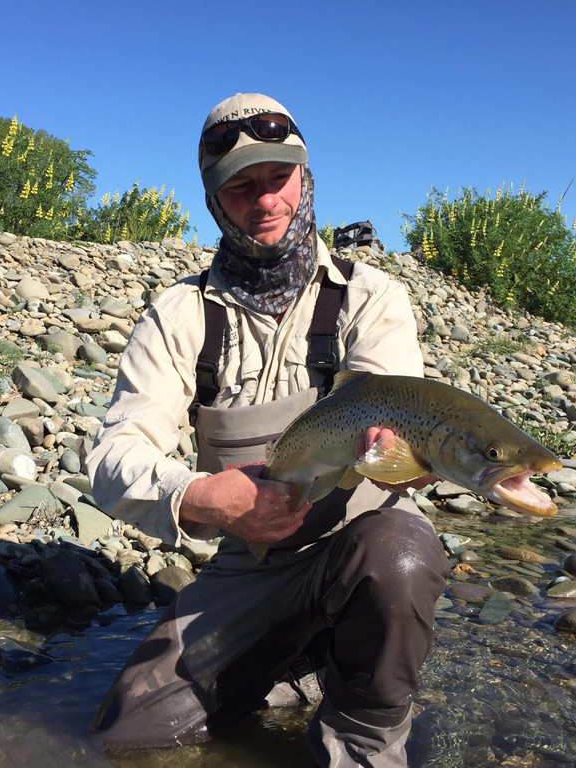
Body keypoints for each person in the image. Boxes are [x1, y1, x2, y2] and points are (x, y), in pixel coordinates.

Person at [85, 93, 449, 767]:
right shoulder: (179, 317)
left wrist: (408, 455)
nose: (266, 202)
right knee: (126, 735)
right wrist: (197, 496)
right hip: (249, 565)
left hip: (359, 549)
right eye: (242, 187)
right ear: (215, 201)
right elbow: (112, 456)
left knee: (400, 552)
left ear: (305, 179)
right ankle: (300, 662)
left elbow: (400, 413)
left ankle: (366, 739)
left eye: (278, 179)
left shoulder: (373, 299)